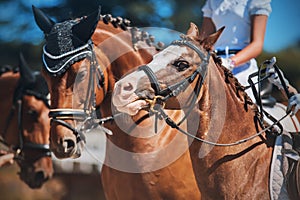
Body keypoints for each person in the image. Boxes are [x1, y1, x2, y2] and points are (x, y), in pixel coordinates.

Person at [199, 0, 300, 116]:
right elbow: (204, 40)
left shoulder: (256, 1)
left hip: (241, 67)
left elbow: (257, 45)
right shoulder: (213, 2)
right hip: (214, 63)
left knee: (244, 114)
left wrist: (230, 63)